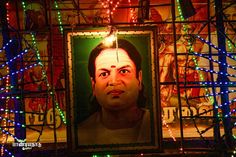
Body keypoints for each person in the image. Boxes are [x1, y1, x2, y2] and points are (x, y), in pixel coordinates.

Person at [77, 39, 151, 145]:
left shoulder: (156, 125)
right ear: (93, 85)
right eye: (104, 74)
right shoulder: (79, 135)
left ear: (139, 79)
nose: (113, 81)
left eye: (123, 71)